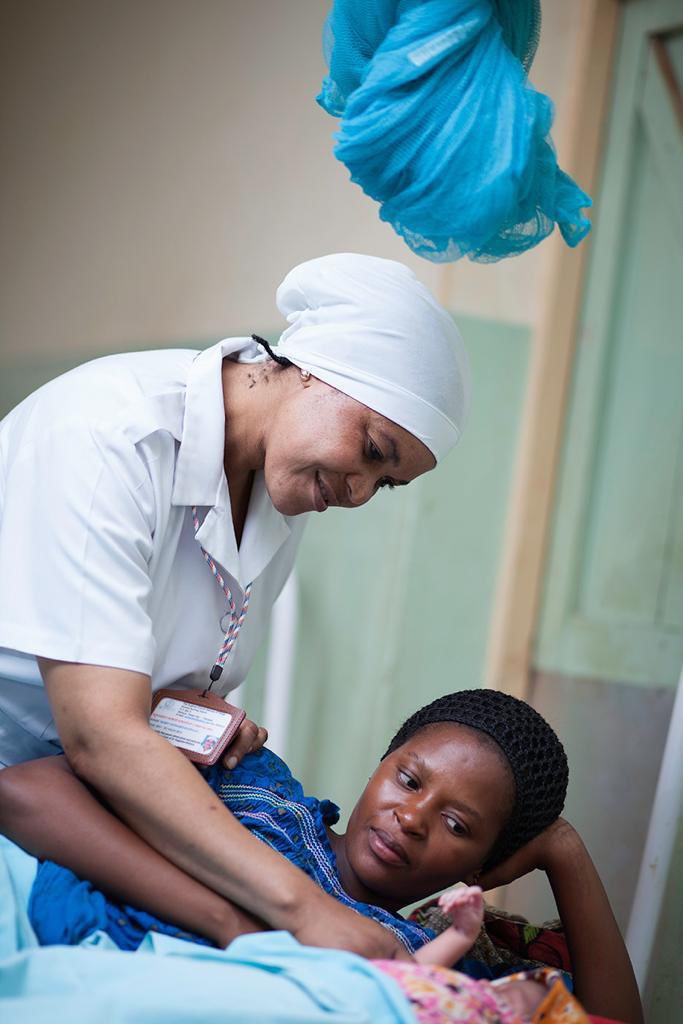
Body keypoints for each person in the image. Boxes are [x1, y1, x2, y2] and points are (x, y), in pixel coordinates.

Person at [0, 252, 469, 959]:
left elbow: (116, 695)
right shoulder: (108, 436)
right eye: (371, 449)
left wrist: (174, 708)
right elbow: (100, 736)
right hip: (35, 789)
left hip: (80, 800)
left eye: (387, 480)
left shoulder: (275, 490)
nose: (360, 491)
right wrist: (304, 911)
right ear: (312, 365)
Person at [0, 690, 643, 1023]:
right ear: (380, 764)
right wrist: (238, 924)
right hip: (35, 925)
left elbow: (609, 1021)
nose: (411, 819)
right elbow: (24, 793)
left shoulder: (421, 964)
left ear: (483, 864)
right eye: (409, 780)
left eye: (455, 823)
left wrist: (564, 850)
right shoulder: (255, 791)